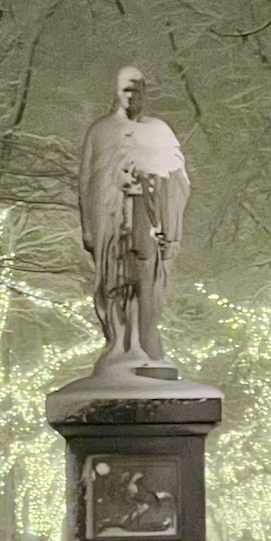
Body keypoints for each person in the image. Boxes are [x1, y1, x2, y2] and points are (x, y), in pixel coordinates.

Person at [78, 66, 189, 375]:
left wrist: (153, 183)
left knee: (146, 282)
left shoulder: (159, 131)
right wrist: (89, 225)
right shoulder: (100, 131)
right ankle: (118, 344)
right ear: (117, 92)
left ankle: (146, 343)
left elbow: (178, 177)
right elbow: (87, 180)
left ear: (144, 93)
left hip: (146, 218)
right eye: (126, 89)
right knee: (113, 282)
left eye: (136, 90)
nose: (131, 96)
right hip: (110, 221)